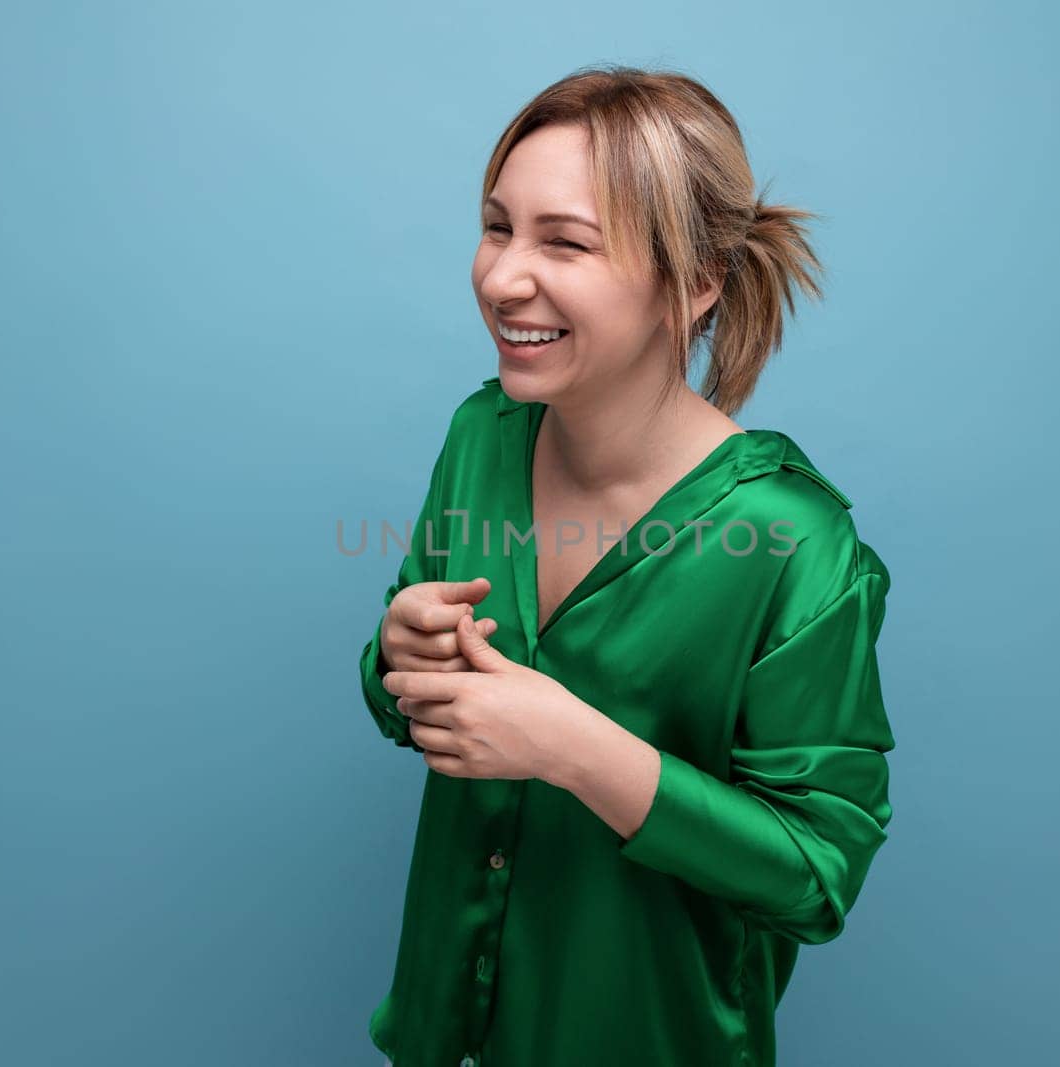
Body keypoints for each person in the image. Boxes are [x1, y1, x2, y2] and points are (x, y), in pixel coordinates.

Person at [358, 64, 896, 1067]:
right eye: (495, 225)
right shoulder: (480, 434)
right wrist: (397, 652)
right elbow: (407, 699)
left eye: (562, 240)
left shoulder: (793, 543)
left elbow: (818, 873)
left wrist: (572, 745)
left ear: (694, 282)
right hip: (442, 1040)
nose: (502, 276)